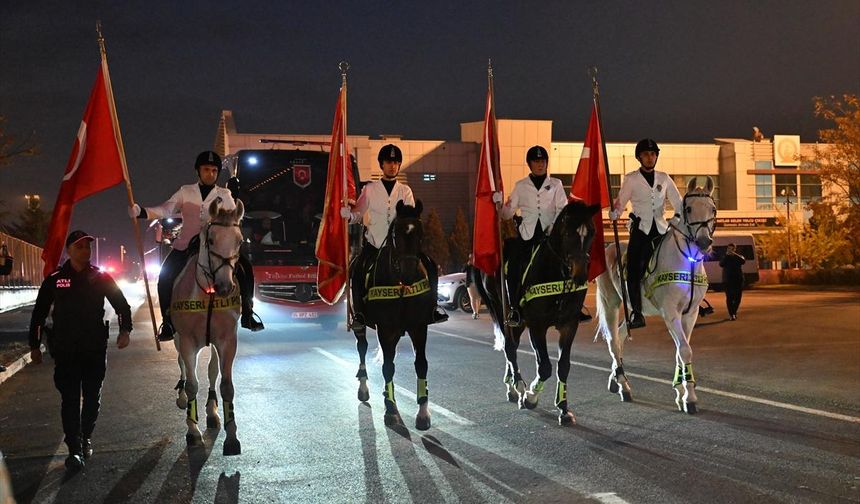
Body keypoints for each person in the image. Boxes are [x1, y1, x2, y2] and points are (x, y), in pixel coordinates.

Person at [129, 151, 264, 341]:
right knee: (165, 275)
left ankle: (248, 313)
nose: (210, 174)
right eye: (206, 170)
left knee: (245, 268)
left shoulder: (224, 194)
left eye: (214, 170)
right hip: (187, 244)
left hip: (216, 247)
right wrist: (143, 212)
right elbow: (166, 208)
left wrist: (235, 195)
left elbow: (233, 217)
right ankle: (167, 321)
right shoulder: (186, 191)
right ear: (198, 172)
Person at [28, 230, 132, 471]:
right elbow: (39, 315)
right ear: (69, 251)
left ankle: (85, 437)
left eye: (88, 247)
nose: (85, 251)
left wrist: (125, 331)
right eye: (80, 247)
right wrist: (34, 346)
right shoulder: (55, 279)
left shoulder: (100, 276)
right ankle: (74, 449)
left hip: (94, 347)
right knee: (70, 399)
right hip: (65, 349)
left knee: (92, 397)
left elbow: (121, 305)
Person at [343, 144, 448, 329]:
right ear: (381, 165)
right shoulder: (369, 189)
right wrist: (348, 215)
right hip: (375, 245)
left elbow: (411, 215)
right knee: (357, 271)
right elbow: (358, 214)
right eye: (389, 162)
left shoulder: (405, 191)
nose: (393, 166)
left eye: (396, 162)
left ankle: (433, 307)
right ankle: (359, 314)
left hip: (402, 247)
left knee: (430, 265)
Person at [610, 138, 683, 329]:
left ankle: (691, 300)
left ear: (656, 156)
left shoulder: (665, 178)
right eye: (646, 155)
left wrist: (676, 218)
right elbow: (621, 202)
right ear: (639, 157)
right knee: (634, 268)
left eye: (653, 154)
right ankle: (636, 312)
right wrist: (615, 213)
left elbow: (679, 203)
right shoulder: (631, 179)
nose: (650, 158)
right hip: (641, 230)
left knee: (682, 258)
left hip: (661, 229)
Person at [498, 145, 568, 326]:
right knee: (513, 265)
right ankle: (514, 308)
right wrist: (501, 204)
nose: (540, 165)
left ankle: (573, 305)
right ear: (529, 164)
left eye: (543, 161)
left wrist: (553, 228)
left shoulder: (556, 184)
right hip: (528, 235)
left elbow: (562, 209)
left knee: (571, 261)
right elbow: (506, 215)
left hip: (551, 236)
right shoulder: (521, 186)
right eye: (536, 161)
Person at [720, 243, 746, 320]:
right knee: (729, 298)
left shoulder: (738, 257)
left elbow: (743, 261)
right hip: (728, 281)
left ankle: (734, 312)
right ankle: (732, 314)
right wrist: (727, 255)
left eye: (732, 249)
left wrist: (734, 254)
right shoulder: (725, 257)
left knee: (738, 298)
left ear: (735, 249)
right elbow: (721, 264)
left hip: (738, 281)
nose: (730, 251)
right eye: (729, 249)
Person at [463, 254, 481, 319]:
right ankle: (475, 312)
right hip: (470, 283)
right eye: (470, 258)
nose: (471, 259)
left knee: (478, 298)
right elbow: (463, 270)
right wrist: (468, 264)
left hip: (478, 283)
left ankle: (477, 311)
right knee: (472, 297)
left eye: (472, 257)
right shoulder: (468, 265)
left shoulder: (478, 264)